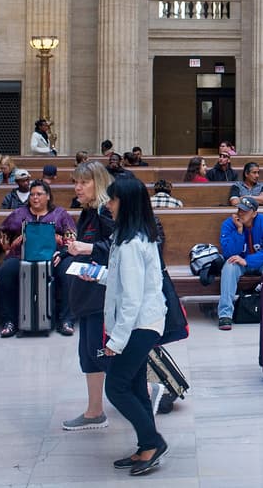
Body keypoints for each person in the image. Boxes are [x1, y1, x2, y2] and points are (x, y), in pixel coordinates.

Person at [99, 176, 169, 476]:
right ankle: (146, 446)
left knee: (116, 388)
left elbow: (132, 298)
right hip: (143, 321)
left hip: (139, 324)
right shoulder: (134, 236)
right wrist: (98, 276)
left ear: (124, 203)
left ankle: (153, 441)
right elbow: (126, 282)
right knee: (136, 386)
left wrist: (116, 340)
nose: (108, 204)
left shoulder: (130, 242)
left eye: (112, 199)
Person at [61, 161, 115, 432]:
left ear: (98, 183)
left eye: (83, 182)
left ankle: (144, 395)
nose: (77, 188)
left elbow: (118, 247)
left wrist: (88, 248)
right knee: (89, 355)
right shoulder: (89, 212)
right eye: (75, 182)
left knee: (103, 354)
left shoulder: (106, 211)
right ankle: (94, 411)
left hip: (102, 298)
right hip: (88, 294)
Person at [0, 179, 79, 338]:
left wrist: (60, 247)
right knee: (6, 272)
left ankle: (66, 320)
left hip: (54, 257)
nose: (35, 198)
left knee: (69, 271)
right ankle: (10, 321)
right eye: (32, 194)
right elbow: (3, 231)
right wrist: (11, 245)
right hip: (23, 257)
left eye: (39, 194)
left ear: (48, 196)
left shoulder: (60, 214)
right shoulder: (19, 213)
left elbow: (71, 237)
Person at [216, 197, 263, 330]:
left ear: (254, 213)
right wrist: (239, 231)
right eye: (239, 209)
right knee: (229, 265)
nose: (240, 213)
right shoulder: (229, 224)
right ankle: (225, 315)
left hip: (259, 262)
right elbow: (228, 253)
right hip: (240, 265)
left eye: (245, 211)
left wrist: (248, 261)